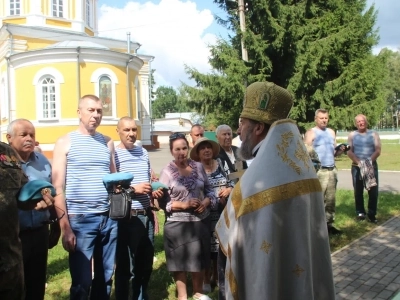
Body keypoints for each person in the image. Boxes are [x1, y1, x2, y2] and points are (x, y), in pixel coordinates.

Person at [216, 81, 335, 300]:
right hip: (304, 278)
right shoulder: (304, 170)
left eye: (243, 124)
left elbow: (229, 241)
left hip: (267, 281)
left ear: (259, 128)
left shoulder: (254, 182)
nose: (238, 131)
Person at [52, 95, 118, 300]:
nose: (96, 115)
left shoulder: (107, 142)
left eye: (99, 111)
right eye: (91, 110)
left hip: (108, 219)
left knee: (106, 277)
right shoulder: (65, 142)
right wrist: (65, 227)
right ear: (79, 112)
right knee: (81, 282)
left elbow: (114, 181)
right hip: (81, 220)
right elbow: (58, 187)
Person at [7, 119, 61, 300]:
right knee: (13, 286)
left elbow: (52, 192)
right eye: (23, 135)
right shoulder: (3, 166)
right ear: (9, 138)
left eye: (32, 135)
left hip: (39, 232)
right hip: (13, 238)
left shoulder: (43, 162)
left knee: (36, 284)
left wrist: (56, 222)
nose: (29, 138)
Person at [159, 133, 216, 300]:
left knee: (198, 260)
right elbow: (161, 203)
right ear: (171, 151)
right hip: (177, 225)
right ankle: (182, 296)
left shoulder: (198, 167)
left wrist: (205, 203)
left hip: (200, 222)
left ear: (188, 148)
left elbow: (210, 191)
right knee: (179, 263)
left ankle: (198, 292)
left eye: (184, 148)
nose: (181, 152)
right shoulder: (167, 172)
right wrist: (184, 205)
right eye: (177, 149)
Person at [114, 116, 163, 300]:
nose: (131, 134)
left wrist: (154, 191)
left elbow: (149, 179)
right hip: (127, 217)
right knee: (126, 266)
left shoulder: (143, 152)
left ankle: (141, 296)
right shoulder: (114, 154)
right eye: (126, 130)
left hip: (146, 214)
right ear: (118, 131)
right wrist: (134, 189)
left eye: (134, 130)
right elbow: (112, 188)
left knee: (145, 263)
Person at [190, 137, 234, 293]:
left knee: (220, 246)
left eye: (209, 147)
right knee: (205, 247)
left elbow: (234, 181)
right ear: (198, 153)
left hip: (222, 212)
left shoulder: (221, 164)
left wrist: (229, 190)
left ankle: (218, 276)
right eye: (203, 148)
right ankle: (206, 278)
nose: (206, 150)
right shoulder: (194, 169)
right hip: (204, 213)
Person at [304, 109, 345, 235]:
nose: (324, 120)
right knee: (318, 200)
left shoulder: (331, 132)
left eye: (326, 118)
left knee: (331, 199)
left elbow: (334, 152)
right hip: (319, 171)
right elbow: (305, 153)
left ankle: (329, 225)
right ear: (316, 119)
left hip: (331, 169)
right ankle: (316, 227)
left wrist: (340, 150)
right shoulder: (311, 133)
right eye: (321, 118)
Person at [347, 114, 381, 223]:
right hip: (357, 167)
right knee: (358, 191)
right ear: (356, 123)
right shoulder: (352, 135)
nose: (361, 123)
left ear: (366, 122)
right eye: (358, 121)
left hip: (371, 166)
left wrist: (368, 162)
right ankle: (360, 213)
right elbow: (349, 151)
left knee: (373, 191)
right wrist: (359, 163)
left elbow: (378, 150)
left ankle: (372, 214)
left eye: (363, 121)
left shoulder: (374, 134)